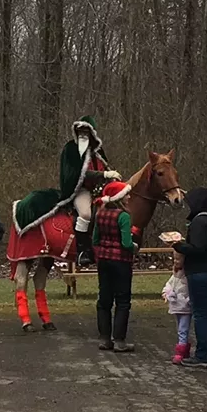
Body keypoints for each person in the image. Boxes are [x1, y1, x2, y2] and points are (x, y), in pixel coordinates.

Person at [173, 187, 207, 368]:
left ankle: (202, 354)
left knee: (200, 314)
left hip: (199, 272)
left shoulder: (199, 221)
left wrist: (178, 245)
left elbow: (198, 248)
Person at [59, 116, 120, 267]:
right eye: (80, 133)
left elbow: (106, 167)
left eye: (86, 133)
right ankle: (82, 252)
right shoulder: (71, 150)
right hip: (81, 190)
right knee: (86, 214)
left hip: (100, 189)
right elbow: (78, 173)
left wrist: (112, 178)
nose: (83, 136)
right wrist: (104, 175)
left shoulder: (98, 151)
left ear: (92, 133)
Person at [93, 180, 136, 352]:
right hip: (121, 262)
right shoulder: (123, 216)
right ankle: (119, 340)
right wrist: (135, 247)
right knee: (123, 301)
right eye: (126, 194)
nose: (129, 197)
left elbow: (95, 239)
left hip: (103, 261)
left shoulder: (100, 214)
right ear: (119, 197)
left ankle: (104, 338)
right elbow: (126, 243)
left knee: (104, 300)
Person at [163, 252, 192, 365]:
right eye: (174, 259)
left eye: (178, 259)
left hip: (185, 306)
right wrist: (167, 292)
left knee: (182, 330)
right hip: (176, 305)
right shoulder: (175, 274)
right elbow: (170, 284)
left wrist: (188, 300)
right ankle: (184, 350)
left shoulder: (187, 275)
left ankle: (180, 352)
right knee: (179, 328)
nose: (176, 261)